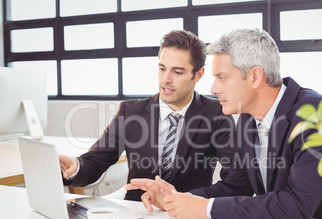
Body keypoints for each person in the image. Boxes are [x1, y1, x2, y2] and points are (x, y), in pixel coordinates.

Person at [126, 28, 322, 219]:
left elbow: (296, 207)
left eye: (222, 77)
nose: (214, 88)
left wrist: (207, 209)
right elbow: (238, 185)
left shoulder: (316, 115)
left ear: (255, 77)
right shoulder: (249, 117)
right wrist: (178, 198)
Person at [59, 30, 237, 201]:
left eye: (177, 72)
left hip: (187, 218)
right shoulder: (130, 112)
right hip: (137, 214)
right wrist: (76, 168)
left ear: (198, 75)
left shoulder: (217, 114)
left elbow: (233, 181)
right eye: (162, 68)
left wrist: (185, 200)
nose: (166, 79)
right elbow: (96, 161)